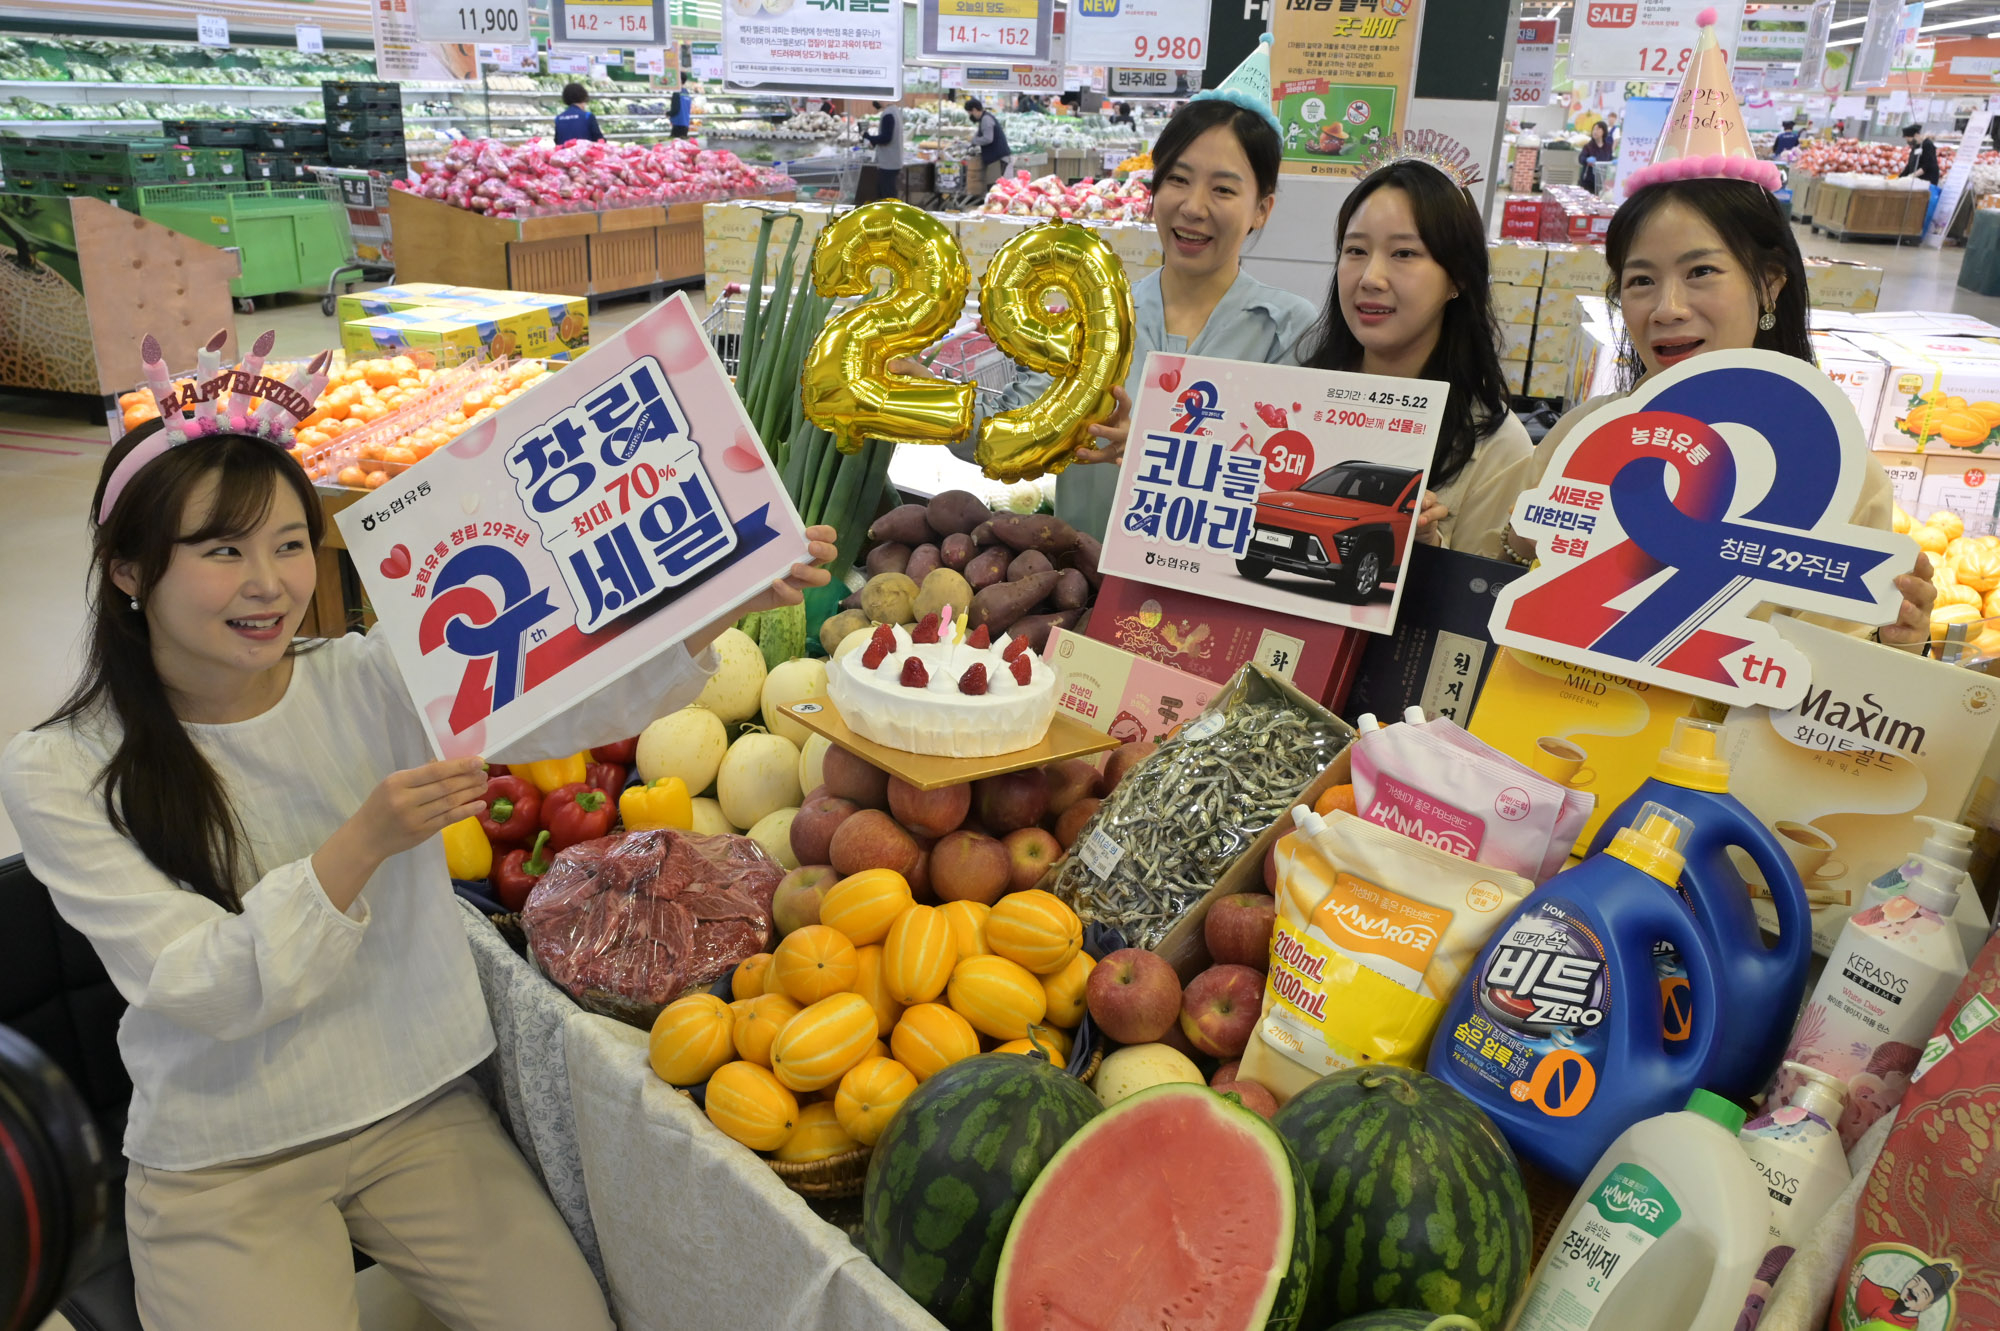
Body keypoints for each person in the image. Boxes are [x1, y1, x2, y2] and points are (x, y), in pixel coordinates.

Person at [0, 400, 839, 1329]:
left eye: (288, 544)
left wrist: (715, 606)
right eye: (222, 550)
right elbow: (193, 984)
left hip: (410, 1106)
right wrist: (360, 843)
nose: (269, 584)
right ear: (127, 569)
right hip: (226, 1153)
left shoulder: (366, 675)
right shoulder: (63, 767)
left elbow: (556, 706)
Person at [1502, 176, 1936, 647]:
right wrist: (1516, 545)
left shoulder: (1844, 480)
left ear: (1770, 284)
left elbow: (1829, 679)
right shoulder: (1580, 436)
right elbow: (1497, 595)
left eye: (1701, 272)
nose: (1667, 309)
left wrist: (1899, 644)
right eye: (1641, 280)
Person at [926, 98, 1316, 541]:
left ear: (1262, 208)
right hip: (1087, 593)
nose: (1193, 206)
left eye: (1223, 190)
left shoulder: (1289, 330)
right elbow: (1009, 430)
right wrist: (920, 397)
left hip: (1219, 600)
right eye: (1177, 180)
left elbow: (1296, 483)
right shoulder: (1096, 322)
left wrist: (1152, 452)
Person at [1296, 158, 1532, 560]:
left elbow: (1474, 608)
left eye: (1403, 253)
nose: (1370, 277)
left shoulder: (1499, 448)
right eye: (1355, 250)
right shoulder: (1295, 399)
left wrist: (1426, 549)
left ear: (1457, 277)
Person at [1901, 121, 1943, 233]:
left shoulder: (1927, 145)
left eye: (1908, 138)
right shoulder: (1915, 146)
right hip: (1916, 180)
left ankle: (1919, 230)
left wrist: (1913, 175)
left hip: (1927, 180)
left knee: (1923, 207)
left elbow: (1928, 165)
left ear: (1915, 135)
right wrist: (1900, 177)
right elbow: (1910, 165)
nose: (1907, 141)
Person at [967, 97, 1013, 194]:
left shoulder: (986, 120)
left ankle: (993, 207)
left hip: (997, 158)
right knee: (993, 186)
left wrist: (973, 140)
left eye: (969, 113)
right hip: (995, 157)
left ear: (974, 110)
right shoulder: (985, 118)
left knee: (993, 186)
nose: (969, 115)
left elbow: (988, 138)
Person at [862, 99, 904, 202]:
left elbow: (886, 138)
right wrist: (874, 141)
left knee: (888, 196)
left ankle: (891, 216)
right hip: (894, 160)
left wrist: (869, 137)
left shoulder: (888, 114)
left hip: (888, 163)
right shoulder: (895, 111)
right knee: (887, 194)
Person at [1578, 120, 1616, 194]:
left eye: (1598, 129)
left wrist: (1613, 161)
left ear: (1604, 131)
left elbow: (1609, 159)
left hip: (1601, 180)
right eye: (1594, 129)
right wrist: (1587, 160)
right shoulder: (1588, 146)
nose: (1595, 131)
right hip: (1588, 180)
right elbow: (1580, 159)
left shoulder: (1608, 147)